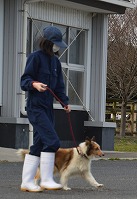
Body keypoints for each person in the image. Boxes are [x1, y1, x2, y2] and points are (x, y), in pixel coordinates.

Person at [20, 26, 71, 192]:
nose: (57, 47)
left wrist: (65, 103)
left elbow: (59, 87)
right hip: (35, 107)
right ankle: (46, 179)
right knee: (52, 141)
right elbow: (24, 80)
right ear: (47, 42)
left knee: (38, 144)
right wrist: (34, 84)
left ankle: (27, 182)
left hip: (48, 108)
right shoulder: (35, 57)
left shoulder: (55, 62)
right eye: (55, 43)